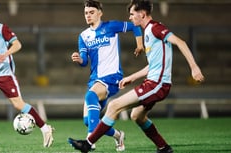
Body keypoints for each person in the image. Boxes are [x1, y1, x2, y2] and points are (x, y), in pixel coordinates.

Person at [68, 0, 205, 152]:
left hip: (156, 83)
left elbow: (181, 42)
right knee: (137, 116)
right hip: (152, 82)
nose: (131, 18)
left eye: (132, 14)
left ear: (142, 14)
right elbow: (152, 65)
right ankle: (163, 147)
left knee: (113, 105)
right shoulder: (148, 32)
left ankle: (88, 143)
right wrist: (131, 77)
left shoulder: (155, 28)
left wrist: (194, 67)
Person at [0, 0, 54, 149]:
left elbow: (17, 45)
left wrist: (5, 54)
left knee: (19, 104)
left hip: (4, 74)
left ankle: (46, 129)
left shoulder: (2, 28)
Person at [70, 0, 144, 151]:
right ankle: (118, 136)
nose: (88, 16)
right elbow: (84, 62)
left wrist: (140, 45)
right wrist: (79, 59)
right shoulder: (83, 36)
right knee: (89, 120)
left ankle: (89, 140)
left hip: (112, 76)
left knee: (90, 97)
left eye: (91, 12)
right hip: (95, 80)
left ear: (99, 13)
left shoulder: (110, 26)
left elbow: (135, 26)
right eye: (86, 13)